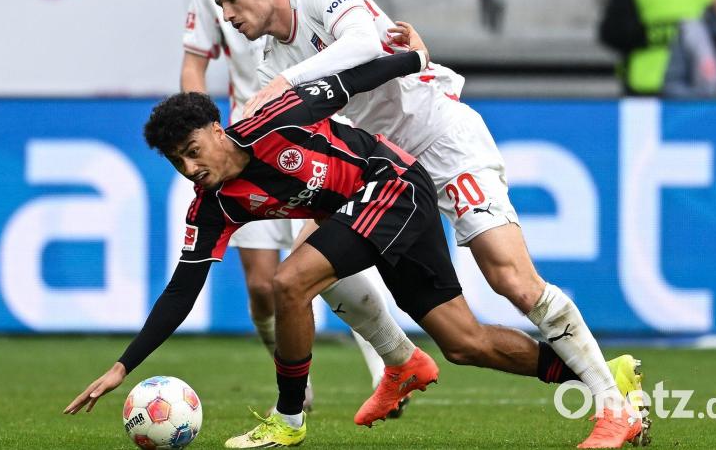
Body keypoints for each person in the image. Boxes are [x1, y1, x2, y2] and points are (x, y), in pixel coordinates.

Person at [63, 51, 642, 449]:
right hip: (363, 215)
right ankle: (602, 381)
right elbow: (181, 290)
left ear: (217, 129)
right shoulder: (211, 205)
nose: (192, 168)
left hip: (394, 185)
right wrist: (121, 367)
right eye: (178, 163)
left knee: (289, 283)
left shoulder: (274, 120)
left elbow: (348, 82)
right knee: (465, 343)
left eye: (193, 150)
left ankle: (288, 421)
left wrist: (415, 59)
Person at [204, 0, 647, 448]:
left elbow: (365, 45)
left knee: (511, 279)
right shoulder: (267, 67)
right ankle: (400, 361)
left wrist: (289, 81)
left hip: (441, 140)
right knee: (436, 331)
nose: (228, 14)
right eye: (219, 5)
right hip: (382, 173)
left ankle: (613, 406)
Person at [180, 0, 404, 413]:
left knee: (320, 259)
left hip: (319, 135)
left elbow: (362, 35)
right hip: (248, 148)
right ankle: (296, 381)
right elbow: (196, 60)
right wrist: (200, 136)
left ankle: (385, 369)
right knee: (262, 288)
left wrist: (408, 52)